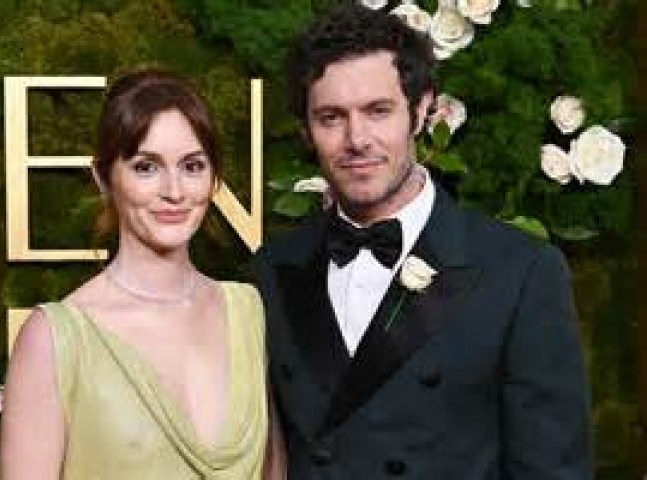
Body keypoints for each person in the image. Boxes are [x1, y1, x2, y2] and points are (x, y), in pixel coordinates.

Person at [253, 4, 592, 479]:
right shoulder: (273, 270)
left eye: (378, 111)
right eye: (331, 117)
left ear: (421, 111)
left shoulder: (521, 272)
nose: (357, 139)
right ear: (305, 130)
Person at [1, 70, 279, 479]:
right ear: (104, 179)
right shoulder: (55, 339)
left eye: (192, 166)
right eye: (146, 167)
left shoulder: (250, 312)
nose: (174, 191)